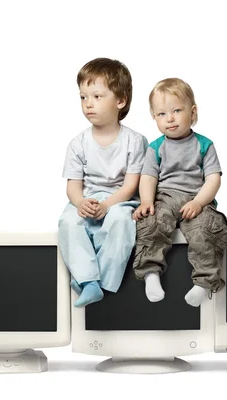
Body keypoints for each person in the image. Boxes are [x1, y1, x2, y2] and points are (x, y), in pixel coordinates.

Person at [132, 77, 227, 307]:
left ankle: (204, 282)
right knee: (151, 222)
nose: (170, 118)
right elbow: (148, 177)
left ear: (192, 112)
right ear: (154, 117)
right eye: (162, 114)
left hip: (197, 199)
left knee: (205, 229)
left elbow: (213, 179)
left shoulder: (204, 145)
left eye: (177, 110)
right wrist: (146, 201)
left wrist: (198, 202)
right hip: (165, 197)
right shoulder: (156, 147)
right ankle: (151, 273)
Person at [59, 58, 148, 307]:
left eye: (97, 96)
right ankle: (88, 281)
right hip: (89, 197)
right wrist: (80, 203)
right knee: (68, 222)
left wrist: (108, 205)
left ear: (120, 101)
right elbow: (73, 186)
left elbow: (131, 185)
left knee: (121, 222)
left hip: (121, 198)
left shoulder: (134, 141)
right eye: (83, 97)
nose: (88, 104)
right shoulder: (78, 143)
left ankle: (103, 282)